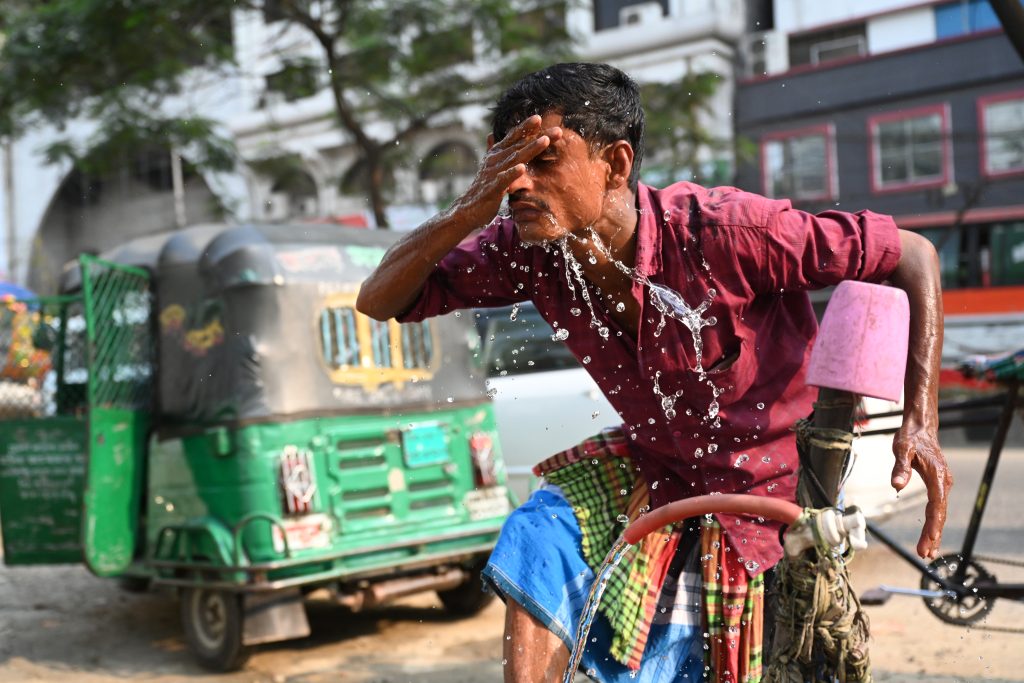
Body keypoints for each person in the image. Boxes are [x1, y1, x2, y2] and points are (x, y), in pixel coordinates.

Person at [356, 62, 951, 682]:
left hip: (772, 497)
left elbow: (913, 254)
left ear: (614, 164)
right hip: (657, 471)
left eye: (542, 162)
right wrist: (464, 212)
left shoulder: (727, 232)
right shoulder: (527, 250)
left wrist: (922, 422)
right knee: (537, 534)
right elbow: (378, 299)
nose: (516, 187)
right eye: (506, 167)